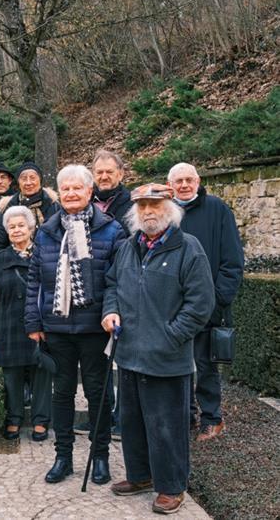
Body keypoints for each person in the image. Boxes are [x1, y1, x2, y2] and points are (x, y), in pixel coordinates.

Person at [103, 183, 214, 515]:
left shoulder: (188, 249)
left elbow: (200, 305)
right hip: (129, 354)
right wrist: (110, 311)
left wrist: (169, 337)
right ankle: (140, 475)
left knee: (167, 427)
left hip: (167, 359)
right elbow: (111, 284)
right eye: (142, 207)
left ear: (170, 209)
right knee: (132, 422)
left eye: (155, 205)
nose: (148, 212)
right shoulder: (127, 247)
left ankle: (171, 486)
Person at [25, 164, 125, 485]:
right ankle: (63, 456)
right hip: (57, 327)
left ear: (89, 191)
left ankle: (100, 456)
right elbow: (34, 282)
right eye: (65, 188)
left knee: (99, 393)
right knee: (62, 393)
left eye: (77, 188)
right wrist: (33, 320)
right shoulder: (47, 231)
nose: (70, 193)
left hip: (96, 328)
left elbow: (116, 281)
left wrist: (113, 313)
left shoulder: (111, 230)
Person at [167, 163, 244, 441]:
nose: (184, 185)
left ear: (198, 182)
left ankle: (212, 418)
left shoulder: (217, 209)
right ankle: (185, 416)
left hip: (209, 305)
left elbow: (232, 261)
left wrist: (217, 300)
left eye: (189, 180)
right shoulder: (166, 212)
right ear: (170, 185)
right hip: (174, 307)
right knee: (178, 364)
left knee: (206, 364)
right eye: (179, 181)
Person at [73, 149, 132, 439]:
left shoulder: (131, 204)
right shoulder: (85, 205)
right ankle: (102, 416)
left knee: (125, 359)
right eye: (99, 173)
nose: (104, 176)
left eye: (110, 171)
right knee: (100, 362)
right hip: (95, 294)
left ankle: (124, 418)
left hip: (126, 289)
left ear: (121, 174)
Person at [0, 205, 52, 442]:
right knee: (11, 376)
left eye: (21, 225)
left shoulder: (44, 254)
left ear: (31, 228)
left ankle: (41, 421)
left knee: (41, 373)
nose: (17, 230)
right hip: (9, 326)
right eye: (12, 227)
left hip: (39, 324)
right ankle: (14, 418)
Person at [0, 161, 60, 256]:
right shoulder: (10, 207)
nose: (28, 183)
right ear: (18, 182)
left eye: (32, 178)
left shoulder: (53, 206)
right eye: (24, 179)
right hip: (16, 264)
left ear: (40, 180)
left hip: (48, 263)